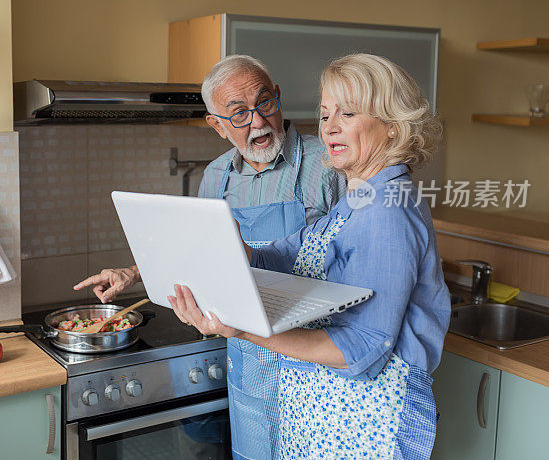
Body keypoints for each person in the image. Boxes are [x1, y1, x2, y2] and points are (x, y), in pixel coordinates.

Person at [169, 53, 451, 459]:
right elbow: (283, 256)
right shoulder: (360, 199)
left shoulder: (388, 209)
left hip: (365, 429)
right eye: (324, 115)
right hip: (328, 420)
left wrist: (243, 330)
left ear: (392, 125)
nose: (330, 127)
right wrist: (228, 245)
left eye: (348, 113)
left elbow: (361, 347)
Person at [74, 54, 347, 459]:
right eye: (238, 114)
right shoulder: (217, 176)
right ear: (217, 125)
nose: (257, 122)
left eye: (264, 103)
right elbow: (196, 253)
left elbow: (352, 263)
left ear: (279, 98)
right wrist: (133, 272)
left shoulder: (328, 166)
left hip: (313, 360)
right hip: (247, 356)